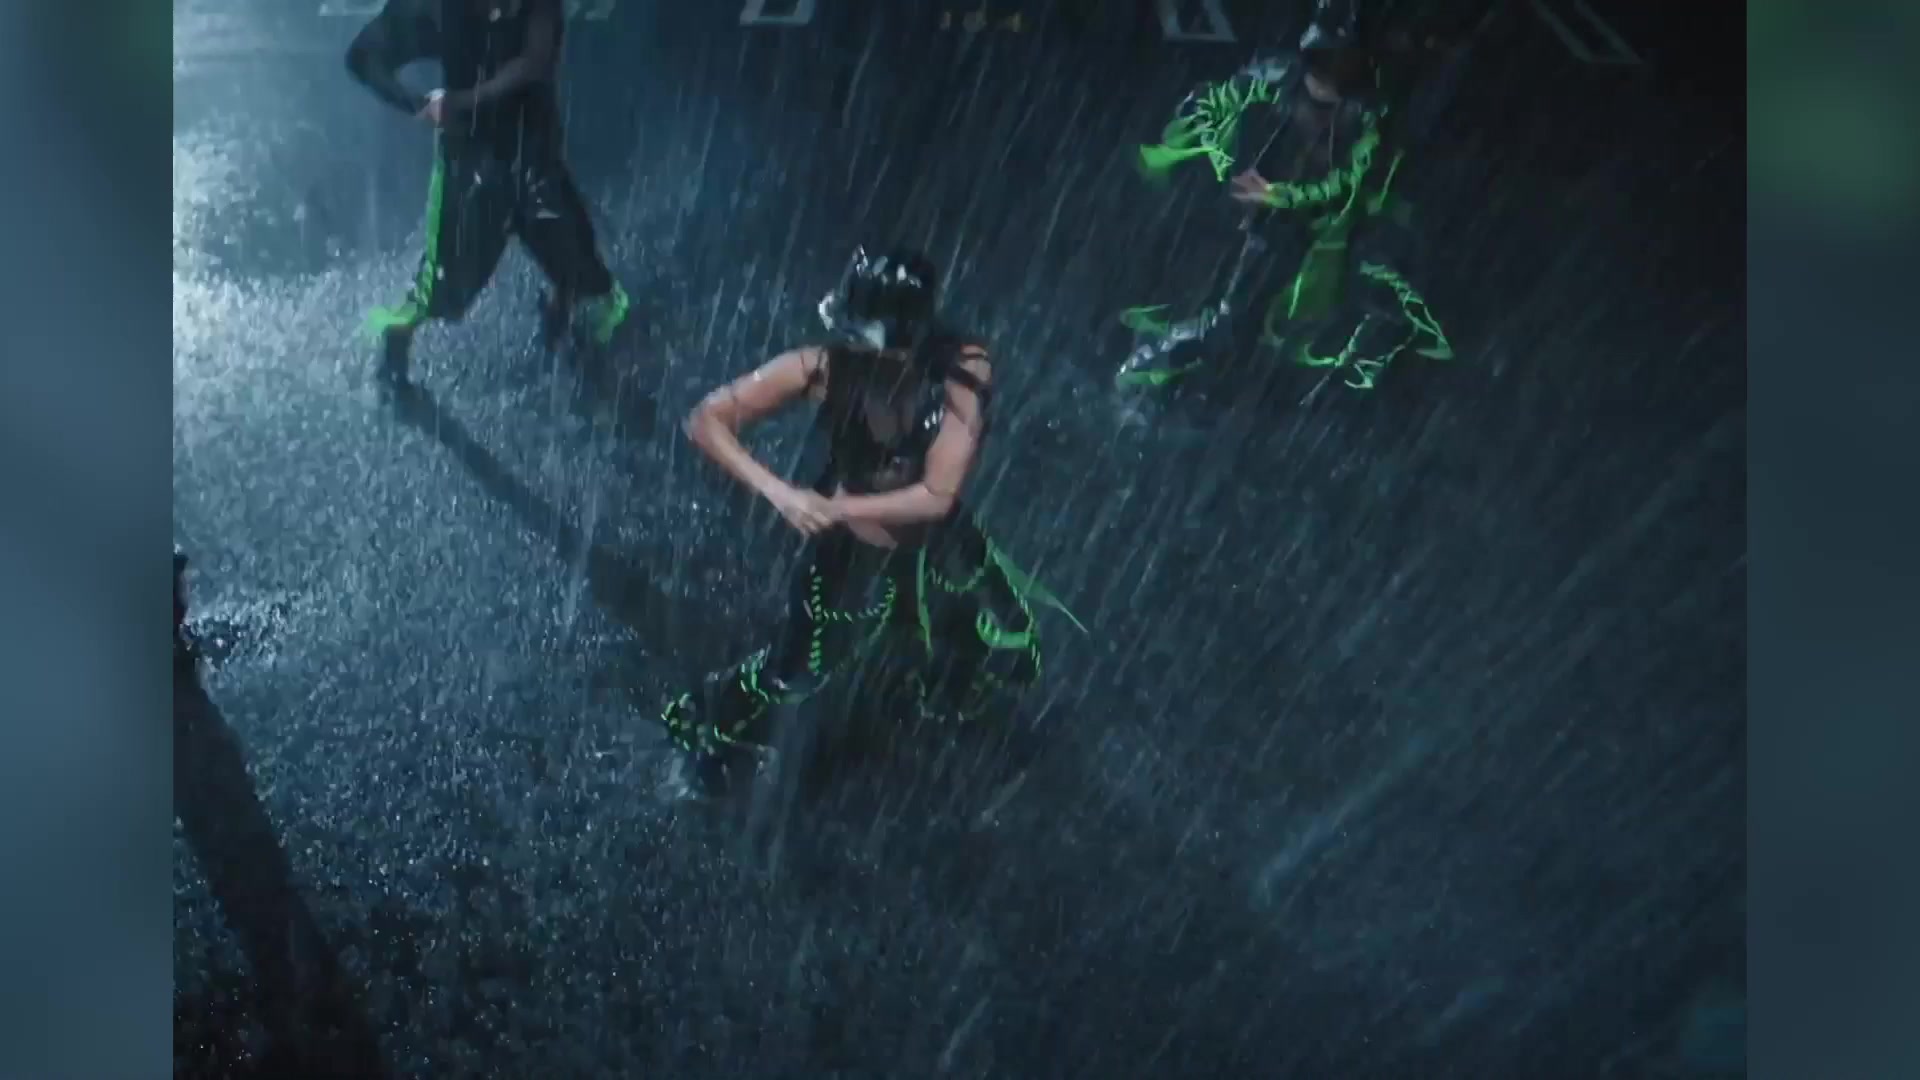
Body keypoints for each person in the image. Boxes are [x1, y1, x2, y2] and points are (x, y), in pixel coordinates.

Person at [660, 248, 1078, 798]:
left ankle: (933, 693)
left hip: (934, 544)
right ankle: (709, 725)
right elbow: (706, 420)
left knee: (1010, 646)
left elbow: (937, 494)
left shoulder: (963, 366)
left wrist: (840, 507)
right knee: (798, 669)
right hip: (851, 560)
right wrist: (782, 495)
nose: (853, 343)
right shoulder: (825, 369)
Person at [1116, 10, 1452, 395]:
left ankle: (1174, 377)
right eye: (1324, 62)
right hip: (1236, 203)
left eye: (1341, 65)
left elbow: (1343, 183)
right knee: (1203, 297)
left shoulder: (1364, 116)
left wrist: (1278, 196)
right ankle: (1152, 366)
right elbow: (1212, 101)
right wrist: (1225, 158)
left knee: (1242, 324)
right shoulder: (1279, 77)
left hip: (1295, 225)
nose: (1327, 78)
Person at [345, 0, 630, 383]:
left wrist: (458, 102)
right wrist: (418, 104)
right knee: (443, 287)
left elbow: (535, 61)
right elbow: (363, 58)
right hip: (472, 163)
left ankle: (565, 318)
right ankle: (397, 340)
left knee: (580, 264)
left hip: (532, 154)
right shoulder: (435, 9)